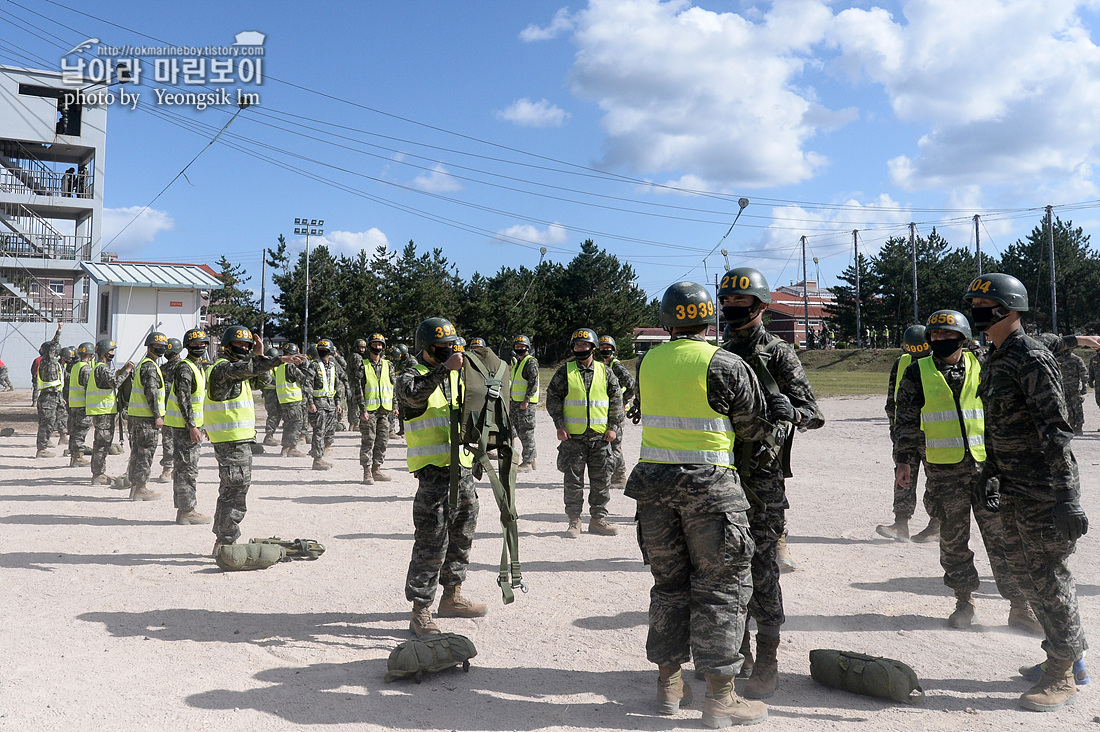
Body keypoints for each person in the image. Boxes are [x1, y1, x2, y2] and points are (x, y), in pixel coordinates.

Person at [629, 281, 784, 725]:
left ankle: (669, 687)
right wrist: (778, 412)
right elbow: (753, 430)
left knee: (669, 587)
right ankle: (721, 699)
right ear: (708, 317)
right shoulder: (727, 363)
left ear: (667, 319)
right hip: (711, 491)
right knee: (721, 591)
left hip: (655, 493)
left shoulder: (646, 362)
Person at [964, 273, 1089, 712]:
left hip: (1043, 490)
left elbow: (1056, 431)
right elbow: (1001, 427)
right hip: (1013, 486)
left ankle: (1062, 672)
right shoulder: (996, 358)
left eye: (984, 305)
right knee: (1027, 578)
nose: (978, 312)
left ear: (1008, 309)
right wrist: (991, 471)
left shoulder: (1031, 358)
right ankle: (1069, 656)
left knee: (1048, 577)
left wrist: (1067, 497)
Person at [893, 309, 1040, 632]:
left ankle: (1020, 606)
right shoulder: (918, 372)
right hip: (944, 472)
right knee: (954, 541)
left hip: (987, 471)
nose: (941, 340)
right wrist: (903, 461)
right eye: (935, 336)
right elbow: (904, 420)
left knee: (1004, 541)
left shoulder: (984, 364)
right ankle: (964, 601)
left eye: (948, 335)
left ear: (963, 337)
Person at [717, 266, 825, 699]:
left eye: (741, 306)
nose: (733, 312)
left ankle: (768, 658)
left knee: (762, 567)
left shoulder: (777, 353)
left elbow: (814, 412)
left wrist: (791, 409)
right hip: (723, 470)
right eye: (727, 305)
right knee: (727, 564)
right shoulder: (721, 351)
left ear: (760, 308)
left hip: (762, 477)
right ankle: (735, 651)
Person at [397, 317, 488, 637]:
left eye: (453, 347)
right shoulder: (411, 374)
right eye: (443, 348)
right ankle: (421, 609)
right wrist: (444, 369)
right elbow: (413, 398)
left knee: (462, 536)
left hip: (462, 471)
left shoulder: (457, 376)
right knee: (431, 542)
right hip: (434, 474)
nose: (451, 352)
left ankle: (451, 597)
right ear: (427, 348)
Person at [208, 325, 307, 555]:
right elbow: (248, 368)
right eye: (238, 344)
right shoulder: (223, 368)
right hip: (229, 440)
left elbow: (264, 381)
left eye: (246, 345)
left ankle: (224, 540)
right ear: (227, 346)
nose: (242, 348)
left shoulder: (238, 370)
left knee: (232, 490)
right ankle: (225, 541)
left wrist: (261, 357)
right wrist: (278, 359)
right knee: (235, 490)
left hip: (238, 439)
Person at [545, 327, 624, 537]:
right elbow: (552, 398)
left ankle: (598, 520)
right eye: (577, 345)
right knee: (573, 482)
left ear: (593, 347)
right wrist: (559, 425)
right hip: (573, 438)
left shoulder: (605, 371)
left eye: (585, 345)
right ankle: (574, 520)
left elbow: (616, 400)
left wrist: (613, 428)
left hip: (601, 438)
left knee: (601, 482)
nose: (581, 348)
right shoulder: (565, 371)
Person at [878, 325, 939, 542]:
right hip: (906, 433)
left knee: (935, 480)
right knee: (903, 476)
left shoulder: (938, 363)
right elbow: (891, 400)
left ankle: (936, 525)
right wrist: (895, 430)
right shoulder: (901, 363)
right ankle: (900, 524)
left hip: (933, 434)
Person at [164, 328, 212, 525]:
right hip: (185, 428)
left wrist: (203, 424)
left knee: (187, 469)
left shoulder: (197, 367)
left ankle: (185, 510)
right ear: (187, 347)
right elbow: (184, 400)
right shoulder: (186, 368)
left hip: (193, 426)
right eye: (195, 345)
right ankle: (187, 511)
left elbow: (199, 400)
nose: (199, 347)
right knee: (186, 470)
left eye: (202, 344)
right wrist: (192, 426)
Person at [125, 332, 170, 501]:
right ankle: (141, 488)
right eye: (157, 346)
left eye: (163, 347)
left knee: (137, 453)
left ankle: (136, 487)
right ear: (150, 347)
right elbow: (151, 392)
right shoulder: (150, 366)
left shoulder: (145, 364)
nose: (161, 349)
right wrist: (157, 415)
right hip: (146, 418)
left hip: (138, 416)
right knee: (145, 453)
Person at [86, 339, 134, 485]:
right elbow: (114, 383)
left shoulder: (99, 367)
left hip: (103, 411)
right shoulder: (101, 368)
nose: (113, 353)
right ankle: (98, 474)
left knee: (101, 443)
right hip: (103, 412)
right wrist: (127, 371)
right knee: (102, 444)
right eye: (111, 351)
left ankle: (99, 472)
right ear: (105, 352)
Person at [598, 334, 637, 487]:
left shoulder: (616, 365)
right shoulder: (604, 365)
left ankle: (620, 476)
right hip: (606, 411)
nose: (605, 350)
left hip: (617, 411)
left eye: (608, 348)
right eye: (602, 348)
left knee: (614, 445)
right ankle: (612, 475)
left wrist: (622, 399)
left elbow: (631, 384)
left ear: (613, 349)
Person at [356, 332, 395, 485]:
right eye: (374, 344)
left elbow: (393, 386)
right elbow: (358, 389)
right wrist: (362, 409)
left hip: (384, 410)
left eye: (380, 344)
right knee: (368, 441)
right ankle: (366, 472)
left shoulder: (388, 365)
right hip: (369, 411)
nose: (377, 347)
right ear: (369, 346)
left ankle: (376, 469)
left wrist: (395, 406)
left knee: (382, 441)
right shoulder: (363, 365)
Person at [306, 338, 342, 470]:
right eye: (320, 350)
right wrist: (310, 403)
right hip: (318, 404)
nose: (322, 352)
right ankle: (317, 459)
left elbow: (337, 385)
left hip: (331, 404)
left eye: (325, 350)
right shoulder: (314, 365)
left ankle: (322, 453)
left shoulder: (333, 366)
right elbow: (307, 384)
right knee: (319, 431)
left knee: (329, 431)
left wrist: (338, 403)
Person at [509, 335, 540, 472]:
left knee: (526, 432)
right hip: (516, 402)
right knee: (520, 432)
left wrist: (526, 399)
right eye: (517, 346)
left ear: (527, 347)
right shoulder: (518, 362)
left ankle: (527, 461)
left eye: (522, 346)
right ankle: (531, 459)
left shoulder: (530, 362)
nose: (519, 348)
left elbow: (533, 383)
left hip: (525, 404)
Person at [273, 343, 309, 456]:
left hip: (283, 400)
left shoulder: (279, 367)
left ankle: (285, 448)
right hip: (293, 399)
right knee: (296, 424)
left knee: (288, 424)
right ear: (289, 355)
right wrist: (304, 366)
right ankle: (292, 448)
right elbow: (303, 379)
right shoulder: (290, 366)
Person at [34, 324, 64, 458]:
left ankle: (44, 446)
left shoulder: (50, 363)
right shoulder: (47, 360)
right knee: (46, 424)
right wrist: (59, 331)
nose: (57, 353)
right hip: (48, 397)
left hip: (52, 396)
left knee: (49, 423)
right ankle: (42, 449)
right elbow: (53, 346)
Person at [156, 338, 183, 483]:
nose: (166, 353)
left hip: (179, 409)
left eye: (169, 351)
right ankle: (167, 468)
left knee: (181, 441)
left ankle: (179, 469)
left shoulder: (182, 367)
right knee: (167, 440)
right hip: (166, 409)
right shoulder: (164, 367)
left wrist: (165, 386)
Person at [67, 342, 95, 467]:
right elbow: (88, 387)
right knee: (80, 432)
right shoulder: (86, 368)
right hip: (83, 405)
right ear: (90, 354)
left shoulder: (75, 366)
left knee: (74, 431)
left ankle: (74, 457)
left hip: (74, 404)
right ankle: (78, 458)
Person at [260, 347, 284, 446]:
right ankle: (268, 436)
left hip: (277, 392)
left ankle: (271, 435)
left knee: (278, 414)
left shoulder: (277, 366)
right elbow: (268, 379)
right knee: (273, 414)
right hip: (269, 393)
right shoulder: (265, 367)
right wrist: (282, 380)